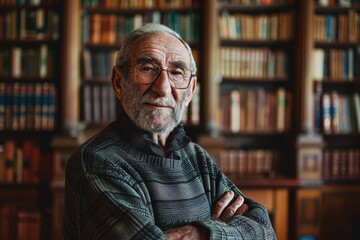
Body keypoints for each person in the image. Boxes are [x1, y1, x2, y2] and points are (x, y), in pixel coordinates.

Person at [63, 23, 276, 239]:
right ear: (119, 82)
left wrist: (199, 233)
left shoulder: (195, 156)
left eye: (176, 72)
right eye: (147, 69)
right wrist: (223, 231)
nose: (163, 87)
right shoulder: (96, 161)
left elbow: (265, 230)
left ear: (190, 91)